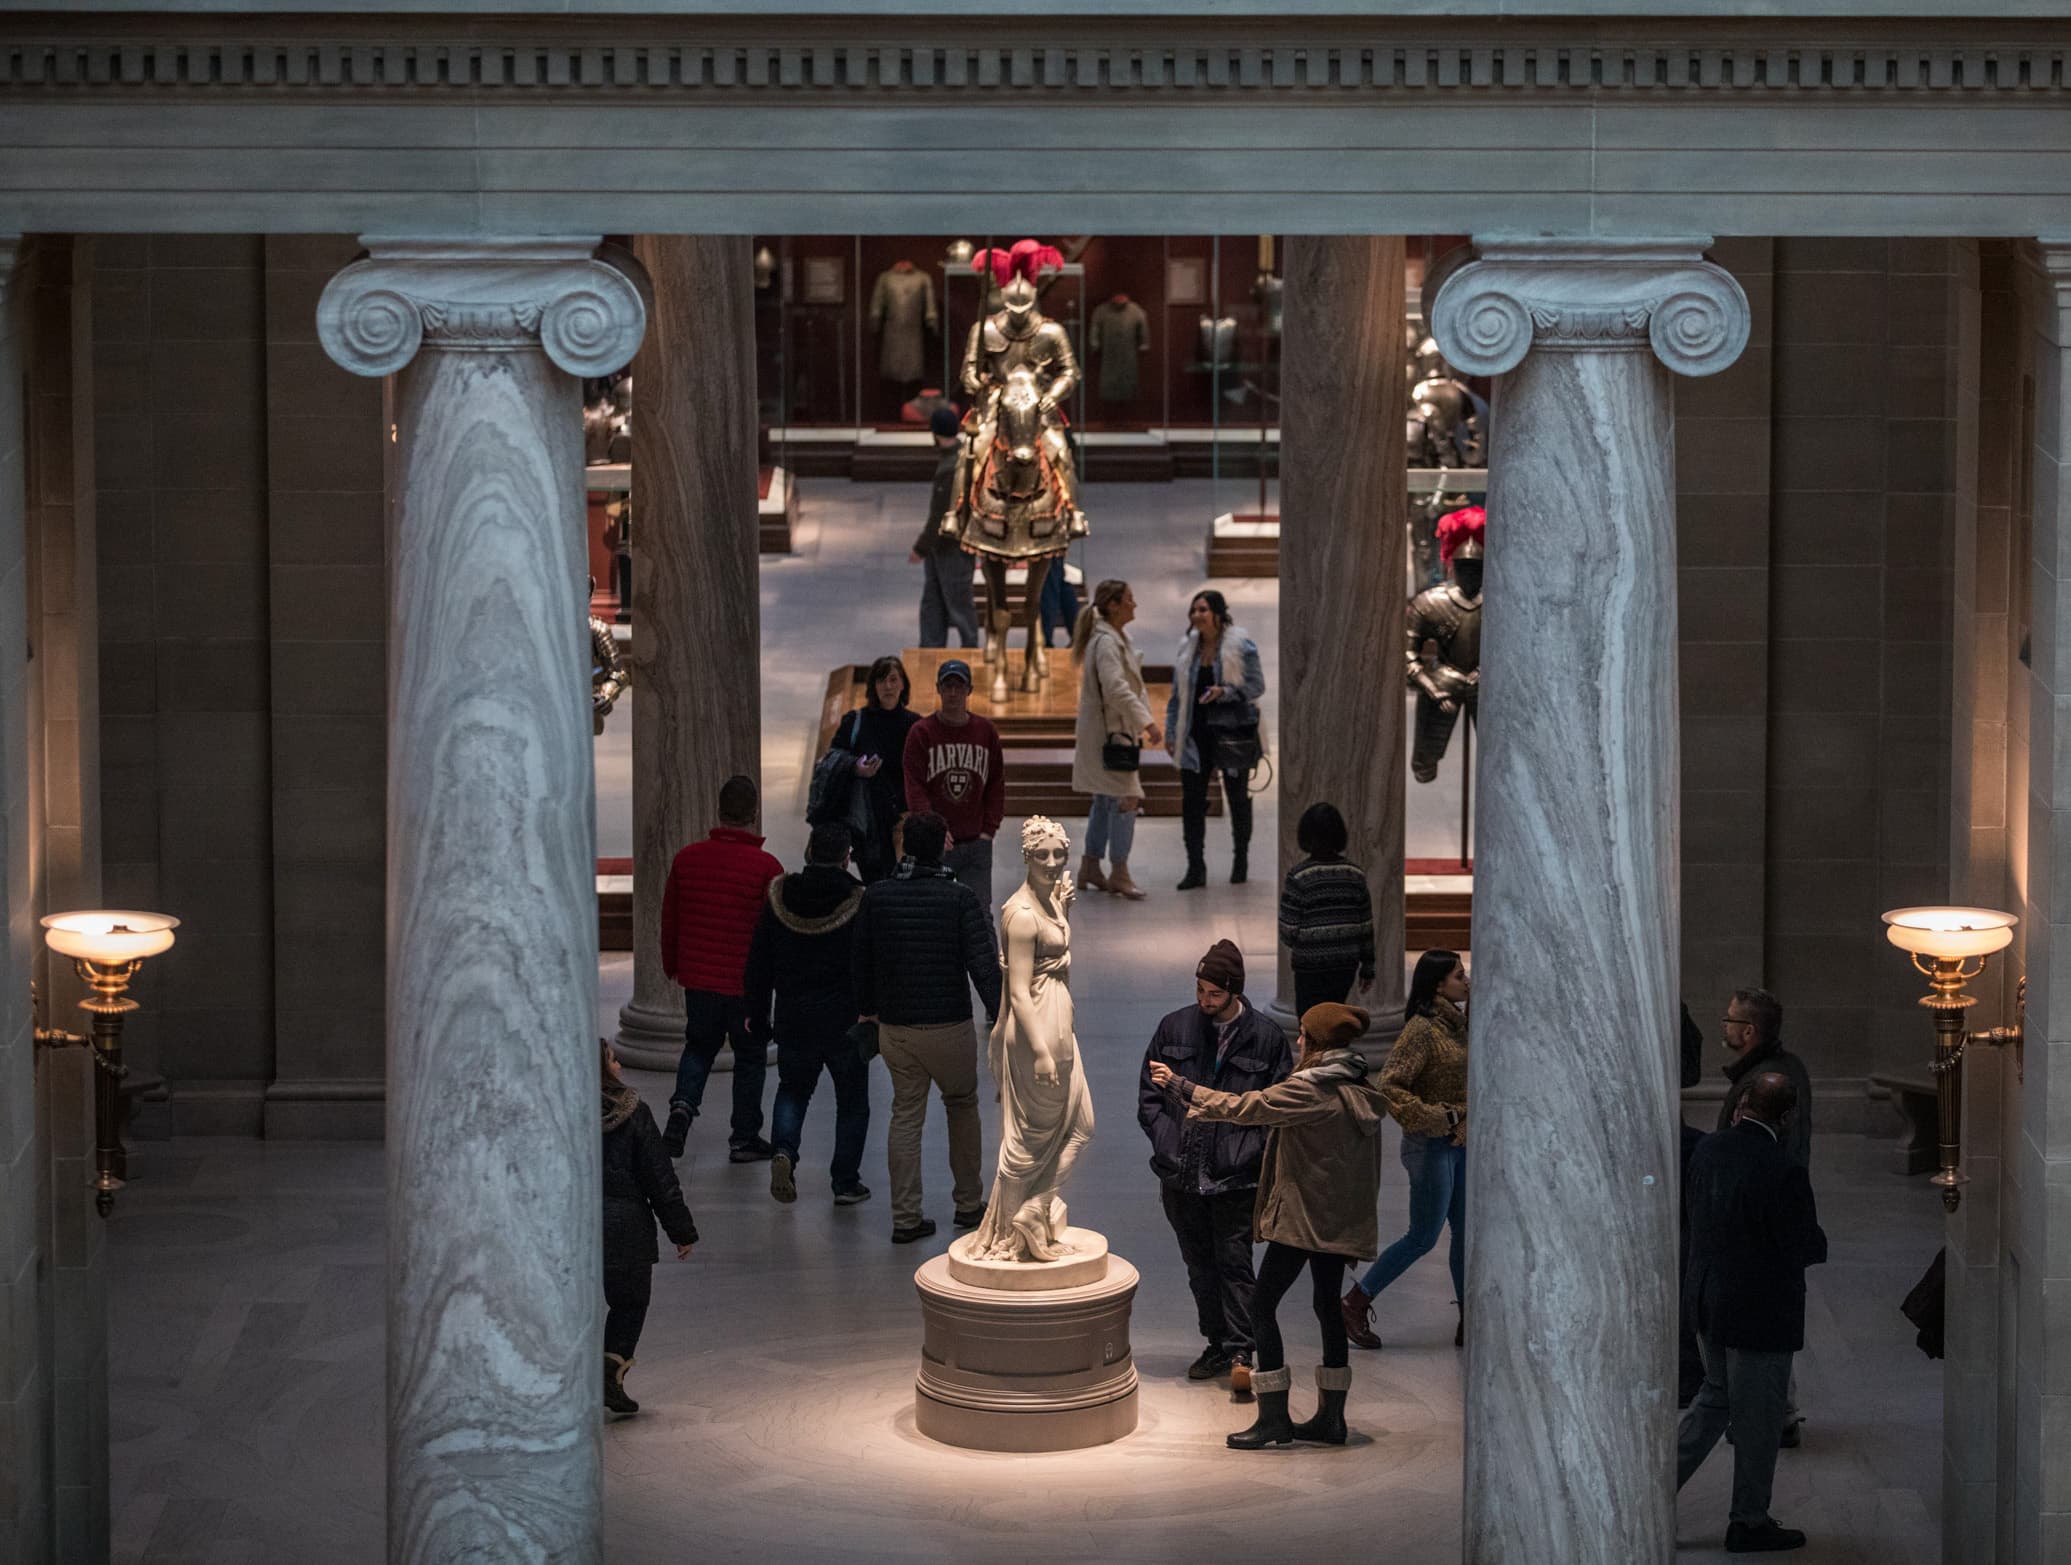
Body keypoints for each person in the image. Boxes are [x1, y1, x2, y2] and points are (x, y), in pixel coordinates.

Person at [1149, 1003, 1386, 1450]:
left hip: (1302, 1220)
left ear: (1316, 1043)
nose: (1297, 1041)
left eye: (1303, 1035)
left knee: (1260, 1307)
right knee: (1326, 1308)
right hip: (1334, 1223)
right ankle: (1331, 1421)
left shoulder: (1312, 1089)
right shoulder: (1357, 1085)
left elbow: (1246, 1107)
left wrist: (1183, 1088)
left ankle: (1273, 1417)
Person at [1677, 1072, 1828, 1555]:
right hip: (1759, 1312)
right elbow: (1804, 1245)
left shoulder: (1708, 1151)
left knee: (1714, 1398)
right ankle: (1749, 1520)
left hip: (1708, 1300)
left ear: (1742, 1105)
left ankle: (1649, 1490)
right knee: (1760, 1419)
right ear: (1787, 1116)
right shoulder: (1782, 1169)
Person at [1136, 939, 1292, 1396]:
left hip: (1235, 1177)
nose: (1204, 1001)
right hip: (1180, 1175)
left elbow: (1275, 1107)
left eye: (1214, 994)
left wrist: (1249, 1151)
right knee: (1199, 1265)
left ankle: (1243, 1349)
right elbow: (1149, 1097)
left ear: (1234, 992)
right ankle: (1217, 1343)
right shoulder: (1175, 1027)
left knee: (1235, 1263)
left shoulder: (1265, 1038)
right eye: (1200, 990)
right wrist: (1168, 1144)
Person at [852, 810, 1003, 1244]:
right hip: (949, 1026)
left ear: (904, 845)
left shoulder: (877, 897)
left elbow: (860, 960)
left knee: (905, 1115)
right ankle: (969, 1204)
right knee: (961, 1106)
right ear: (943, 847)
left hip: (897, 1028)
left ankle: (905, 1216)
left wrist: (867, 1010)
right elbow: (982, 966)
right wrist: (1000, 1019)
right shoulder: (958, 898)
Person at [965, 817, 1094, 1262]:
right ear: (1025, 858)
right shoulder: (1020, 914)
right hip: (1036, 1031)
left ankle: (1034, 1209)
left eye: (1059, 854)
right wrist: (1039, 1050)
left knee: (1080, 1126)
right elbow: (1018, 989)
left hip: (1058, 1021)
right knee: (1028, 1141)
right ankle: (1009, 1230)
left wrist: (1062, 910)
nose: (1053, 863)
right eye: (1042, 856)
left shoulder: (1051, 900)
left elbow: (1054, 950)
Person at [1342, 948, 1468, 1352]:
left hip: (1459, 1145)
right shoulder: (1422, 1030)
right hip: (1430, 1146)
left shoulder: (1457, 1025)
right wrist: (1443, 1119)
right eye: (1459, 976)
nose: (1466, 982)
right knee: (1423, 1236)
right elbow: (1392, 1089)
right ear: (1438, 986)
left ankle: (1470, 1316)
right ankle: (1357, 1299)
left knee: (1466, 1234)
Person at [743, 822, 873, 1208]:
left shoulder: (780, 896)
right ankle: (846, 1183)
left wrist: (757, 1013)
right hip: (844, 1022)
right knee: (852, 1102)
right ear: (847, 857)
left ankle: (784, 1150)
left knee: (793, 1090)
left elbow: (758, 962)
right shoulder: (857, 900)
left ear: (808, 852)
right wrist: (874, 1012)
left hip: (794, 1017)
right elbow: (868, 965)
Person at [658, 775, 785, 1162]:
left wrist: (672, 966)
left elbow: (670, 919)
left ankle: (681, 1109)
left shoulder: (687, 859)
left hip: (699, 980)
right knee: (749, 1057)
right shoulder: (767, 867)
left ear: (719, 810)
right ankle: (744, 1137)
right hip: (746, 987)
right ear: (754, 813)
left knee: (698, 1048)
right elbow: (774, 931)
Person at [601, 1039, 697, 1416]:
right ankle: (610, 1372)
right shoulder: (633, 1113)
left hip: (574, 1225)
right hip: (626, 1227)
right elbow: (659, 1177)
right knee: (630, 1302)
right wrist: (682, 1231)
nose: (619, 1066)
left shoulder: (563, 1114)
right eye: (612, 1060)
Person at [1163, 588, 1264, 891]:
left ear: (1218, 614)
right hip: (1195, 736)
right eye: (1193, 610)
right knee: (1192, 802)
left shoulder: (1241, 646)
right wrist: (1171, 733)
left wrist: (1226, 691)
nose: (1197, 616)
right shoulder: (1187, 649)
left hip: (1231, 734)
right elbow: (1176, 697)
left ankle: (1241, 860)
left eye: (1203, 610)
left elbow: (1256, 685)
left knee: (1237, 799)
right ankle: (1196, 867)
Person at [1070, 579, 1161, 901]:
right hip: (1113, 735)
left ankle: (1090, 866)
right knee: (1126, 799)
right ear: (1113, 605)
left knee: (1105, 799)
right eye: (1130, 599)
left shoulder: (1113, 638)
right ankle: (1119, 872)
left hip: (1109, 734)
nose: (1134, 605)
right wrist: (1147, 723)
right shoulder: (1107, 643)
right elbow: (1117, 689)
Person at [902, 659, 1006, 910]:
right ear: (938, 689)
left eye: (958, 687)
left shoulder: (985, 731)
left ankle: (984, 952)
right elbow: (914, 784)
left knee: (979, 913)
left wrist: (988, 831)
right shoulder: (921, 732)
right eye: (947, 687)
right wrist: (932, 828)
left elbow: (996, 783)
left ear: (969, 690)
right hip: (937, 845)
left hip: (976, 842)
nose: (952, 693)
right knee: (934, 911)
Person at [829, 655, 924, 883]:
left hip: (903, 817)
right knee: (875, 882)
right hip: (868, 820)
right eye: (881, 681)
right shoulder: (856, 721)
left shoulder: (916, 725)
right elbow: (833, 758)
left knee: (904, 883)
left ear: (903, 684)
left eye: (893, 679)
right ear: (873, 686)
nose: (888, 686)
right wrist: (855, 767)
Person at [1278, 802, 1377, 1013]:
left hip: (1309, 964)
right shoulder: (1355, 874)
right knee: (1335, 1020)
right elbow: (1365, 926)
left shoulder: (1299, 877)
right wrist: (1368, 968)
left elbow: (1288, 931)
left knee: (1309, 1022)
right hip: (1345, 963)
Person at [1718, 987, 1812, 1169]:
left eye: (1730, 1018)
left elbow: (1741, 1151)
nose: (1725, 1024)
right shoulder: (1793, 1065)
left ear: (1748, 1031)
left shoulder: (1759, 1082)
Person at [910, 405, 980, 648]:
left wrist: (921, 547)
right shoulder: (961, 457)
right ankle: (930, 650)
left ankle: (970, 652)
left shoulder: (952, 467)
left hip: (952, 546)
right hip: (944, 547)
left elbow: (939, 514)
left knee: (959, 604)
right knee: (935, 601)